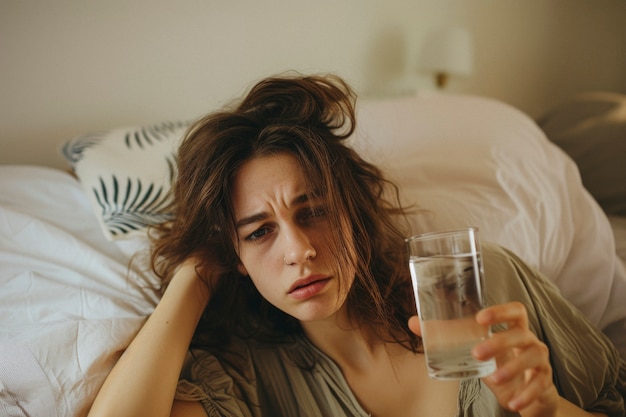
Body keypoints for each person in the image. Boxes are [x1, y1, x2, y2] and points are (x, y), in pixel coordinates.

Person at [87, 73, 626, 417]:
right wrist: (195, 276)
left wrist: (551, 409)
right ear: (236, 258)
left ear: (351, 209)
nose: (299, 249)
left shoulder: (475, 282)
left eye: (313, 211)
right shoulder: (247, 375)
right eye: (260, 231)